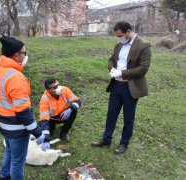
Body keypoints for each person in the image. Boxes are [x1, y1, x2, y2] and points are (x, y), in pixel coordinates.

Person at [0, 36, 45, 180]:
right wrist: (38, 133)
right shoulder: (16, 78)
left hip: (3, 123)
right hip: (16, 127)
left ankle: (4, 176)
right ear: (16, 55)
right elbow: (23, 113)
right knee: (18, 161)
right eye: (24, 53)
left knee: (9, 150)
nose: (26, 56)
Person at [91, 21, 152, 154]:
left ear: (129, 31)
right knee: (111, 114)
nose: (119, 38)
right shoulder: (119, 45)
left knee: (128, 116)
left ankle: (124, 143)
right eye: (117, 36)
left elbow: (143, 69)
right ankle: (106, 139)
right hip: (116, 86)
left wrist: (122, 73)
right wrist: (112, 68)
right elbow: (111, 59)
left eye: (121, 36)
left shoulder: (144, 45)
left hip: (130, 88)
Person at [39, 78, 82, 150]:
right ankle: (51, 129)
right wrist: (46, 139)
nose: (59, 88)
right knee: (45, 131)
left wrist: (69, 110)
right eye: (55, 87)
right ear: (49, 90)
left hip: (64, 115)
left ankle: (64, 133)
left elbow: (78, 101)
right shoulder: (45, 99)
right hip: (51, 119)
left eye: (58, 85)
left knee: (74, 110)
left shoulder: (64, 89)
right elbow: (44, 119)